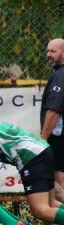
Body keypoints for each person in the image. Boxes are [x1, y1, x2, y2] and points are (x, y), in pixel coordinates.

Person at [40, 38, 64, 210]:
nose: (48, 55)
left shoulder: (61, 75)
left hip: (58, 138)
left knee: (58, 185)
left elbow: (54, 109)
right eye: (48, 51)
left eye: (53, 51)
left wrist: (43, 137)